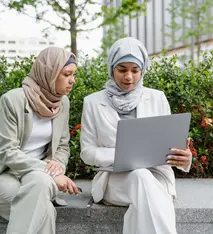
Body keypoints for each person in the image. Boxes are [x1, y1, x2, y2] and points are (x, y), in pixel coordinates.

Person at [80, 37, 192, 234]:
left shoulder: (157, 98)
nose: (129, 77)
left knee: (143, 182)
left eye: (135, 70)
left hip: (157, 176)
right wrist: (123, 155)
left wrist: (184, 158)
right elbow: (87, 152)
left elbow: (169, 143)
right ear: (111, 68)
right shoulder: (92, 102)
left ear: (143, 70)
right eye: (122, 69)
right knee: (141, 176)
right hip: (114, 180)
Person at [0, 47, 80, 234]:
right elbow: (6, 152)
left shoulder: (62, 102)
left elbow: (62, 145)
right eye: (67, 74)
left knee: (40, 185)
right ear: (50, 73)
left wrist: (56, 166)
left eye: (73, 75)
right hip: (4, 175)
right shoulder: (13, 100)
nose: (72, 80)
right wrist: (49, 172)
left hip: (39, 177)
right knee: (45, 209)